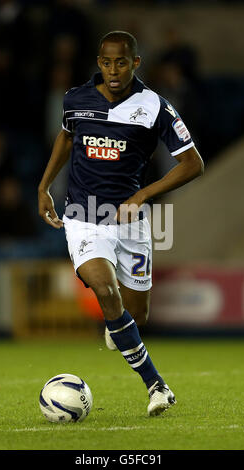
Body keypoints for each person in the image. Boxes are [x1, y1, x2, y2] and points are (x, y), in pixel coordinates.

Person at [38, 31, 204, 417]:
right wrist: (44, 186)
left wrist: (143, 194)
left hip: (130, 221)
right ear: (99, 61)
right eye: (107, 62)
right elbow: (66, 137)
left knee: (134, 316)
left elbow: (193, 163)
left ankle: (120, 329)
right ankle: (157, 386)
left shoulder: (155, 107)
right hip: (82, 215)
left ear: (136, 63)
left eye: (122, 62)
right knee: (104, 287)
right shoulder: (75, 99)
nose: (114, 71)